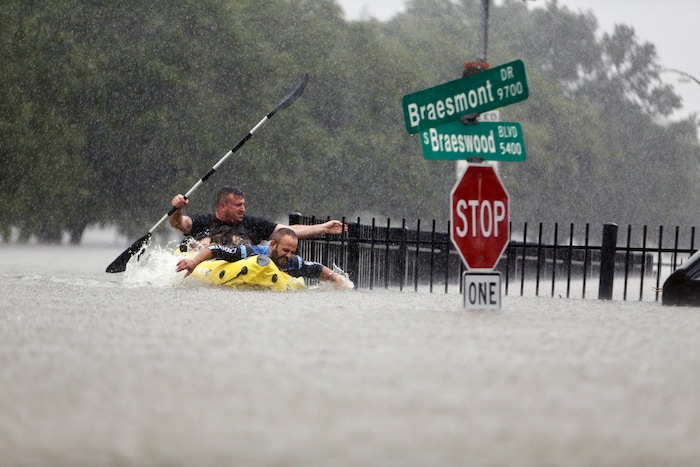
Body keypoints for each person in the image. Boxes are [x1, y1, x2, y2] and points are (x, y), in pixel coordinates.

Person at [169, 186, 345, 247]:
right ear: (222, 206)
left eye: (244, 204)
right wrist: (178, 209)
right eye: (238, 205)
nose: (243, 209)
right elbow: (180, 224)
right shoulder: (203, 222)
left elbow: (288, 231)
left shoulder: (253, 224)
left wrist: (322, 227)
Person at [175, 228, 351, 290]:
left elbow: (316, 268)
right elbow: (216, 249)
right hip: (228, 271)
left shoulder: (291, 261)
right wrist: (194, 262)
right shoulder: (250, 252)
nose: (288, 255)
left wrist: (336, 278)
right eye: (285, 250)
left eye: (292, 251)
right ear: (273, 244)